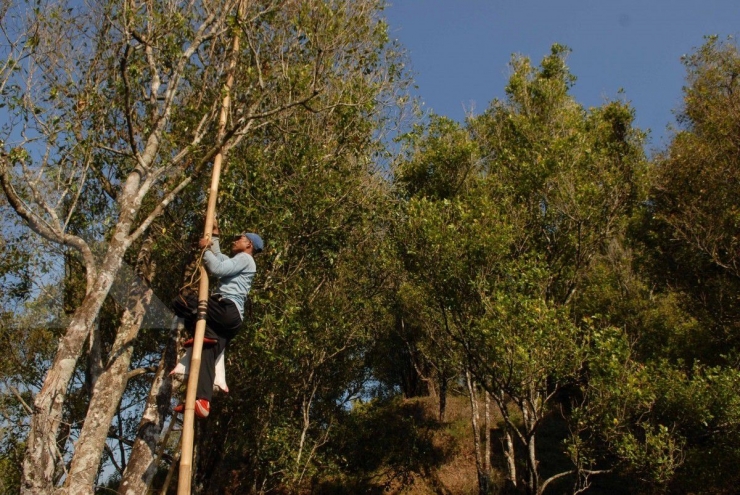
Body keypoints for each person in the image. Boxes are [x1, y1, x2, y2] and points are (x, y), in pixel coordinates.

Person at [172, 223, 263, 418]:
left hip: (226, 309)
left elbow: (218, 268)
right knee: (206, 353)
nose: (236, 240)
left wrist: (205, 248)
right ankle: (202, 400)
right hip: (230, 321)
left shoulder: (246, 259)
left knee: (182, 301)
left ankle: (200, 332)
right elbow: (221, 258)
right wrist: (214, 237)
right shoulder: (240, 259)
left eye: (240, 238)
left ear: (249, 245)